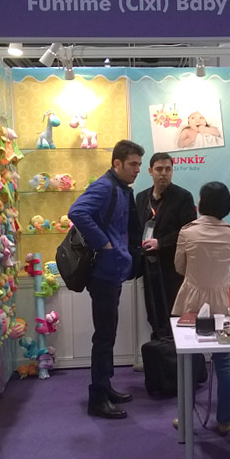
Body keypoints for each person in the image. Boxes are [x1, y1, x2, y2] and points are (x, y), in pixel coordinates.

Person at [68, 140, 144, 419]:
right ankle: (98, 398)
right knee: (103, 337)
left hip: (113, 271)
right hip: (103, 273)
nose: (137, 170)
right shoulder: (105, 187)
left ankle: (106, 386)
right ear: (117, 164)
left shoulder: (120, 188)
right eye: (133, 164)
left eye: (139, 164)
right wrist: (105, 244)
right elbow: (77, 212)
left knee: (108, 334)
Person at [171, 181, 230, 435]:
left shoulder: (187, 232)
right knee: (224, 363)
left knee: (188, 361)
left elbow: (179, 266)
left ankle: (185, 418)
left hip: (191, 300)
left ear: (201, 203)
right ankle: (224, 419)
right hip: (223, 301)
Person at [136, 152, 197, 338]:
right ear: (150, 171)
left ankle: (174, 350)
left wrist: (161, 242)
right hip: (148, 266)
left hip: (172, 267)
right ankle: (158, 349)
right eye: (159, 169)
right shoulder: (141, 197)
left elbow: (189, 231)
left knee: (173, 312)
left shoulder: (183, 197)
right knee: (153, 313)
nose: (163, 173)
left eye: (168, 169)